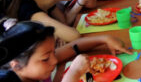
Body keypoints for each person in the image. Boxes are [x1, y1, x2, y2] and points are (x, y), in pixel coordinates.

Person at [0, 20, 132, 82]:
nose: (55, 60)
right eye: (46, 58)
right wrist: (73, 73)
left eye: (53, 52)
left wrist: (104, 39)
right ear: (16, 65)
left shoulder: (30, 66)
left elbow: (72, 47)